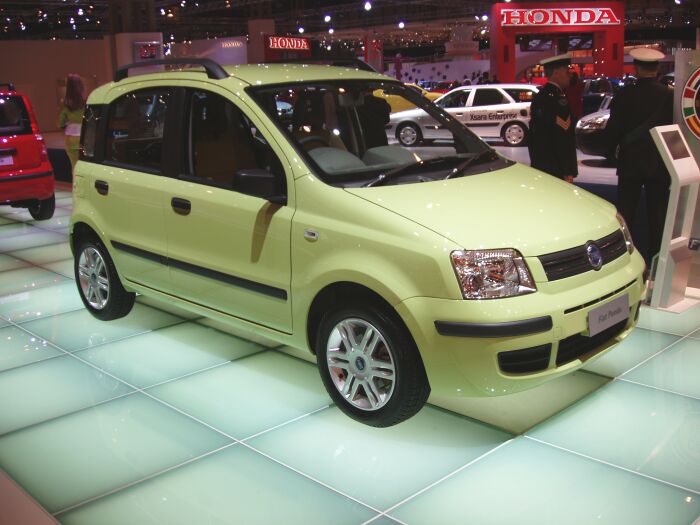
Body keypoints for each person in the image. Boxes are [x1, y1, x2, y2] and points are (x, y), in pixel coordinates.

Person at [604, 47, 673, 263]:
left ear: (636, 68)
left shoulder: (625, 94)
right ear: (658, 68)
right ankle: (656, 261)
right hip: (658, 162)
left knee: (626, 213)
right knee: (658, 215)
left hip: (630, 161)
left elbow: (613, 128)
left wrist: (613, 153)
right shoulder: (668, 95)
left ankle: (626, 259)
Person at [527, 54, 577, 182]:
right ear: (556, 73)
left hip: (542, 164)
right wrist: (568, 170)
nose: (570, 75)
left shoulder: (541, 96)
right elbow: (563, 137)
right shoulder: (558, 99)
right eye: (567, 71)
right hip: (556, 169)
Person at [57, 74, 86, 172]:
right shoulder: (86, 102)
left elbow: (59, 123)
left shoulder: (65, 104)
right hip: (85, 139)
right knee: (86, 167)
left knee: (74, 167)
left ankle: (76, 186)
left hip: (71, 139)